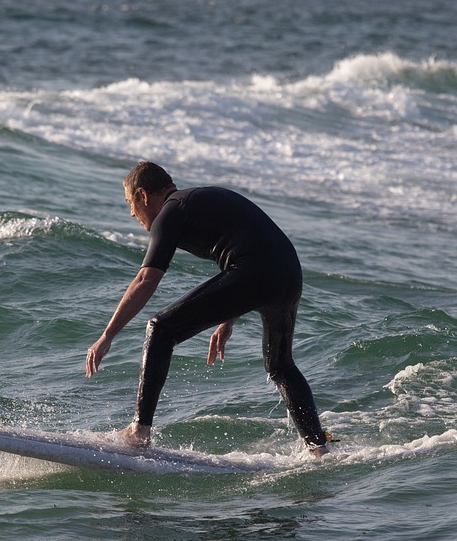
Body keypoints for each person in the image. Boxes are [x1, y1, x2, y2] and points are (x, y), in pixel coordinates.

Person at [85, 161, 332, 457]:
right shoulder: (194, 202)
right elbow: (247, 251)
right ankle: (318, 449)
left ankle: (139, 432)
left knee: (160, 329)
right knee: (281, 366)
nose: (131, 213)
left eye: (130, 203)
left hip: (258, 272)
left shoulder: (170, 212)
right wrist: (228, 319)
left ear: (143, 196)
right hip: (288, 275)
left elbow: (145, 280)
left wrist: (107, 335)